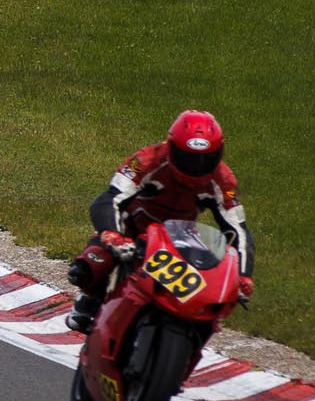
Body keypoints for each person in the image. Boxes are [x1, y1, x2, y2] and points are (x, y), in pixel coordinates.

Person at [64, 110, 255, 333]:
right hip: (131, 233)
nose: (196, 166)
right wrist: (111, 233)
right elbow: (109, 198)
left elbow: (238, 231)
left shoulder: (224, 182)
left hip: (178, 243)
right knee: (85, 270)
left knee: (208, 305)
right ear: (173, 148)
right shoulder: (146, 159)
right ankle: (89, 300)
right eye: (188, 158)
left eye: (205, 159)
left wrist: (243, 276)